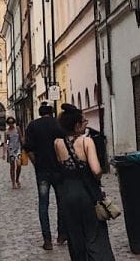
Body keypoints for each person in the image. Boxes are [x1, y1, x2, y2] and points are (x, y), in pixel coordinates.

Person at [54, 104, 115, 261]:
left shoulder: (57, 143)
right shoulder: (86, 142)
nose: (86, 123)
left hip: (67, 194)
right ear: (77, 125)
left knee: (75, 236)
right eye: (84, 121)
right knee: (94, 235)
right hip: (86, 194)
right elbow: (96, 170)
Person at [24, 102, 67, 250]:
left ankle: (47, 239)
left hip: (42, 171)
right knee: (62, 202)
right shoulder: (59, 125)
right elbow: (65, 145)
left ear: (40, 112)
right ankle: (62, 234)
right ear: (51, 111)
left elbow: (28, 149)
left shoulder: (33, 126)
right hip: (59, 170)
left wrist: (37, 164)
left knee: (44, 204)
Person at [5, 116, 23, 189]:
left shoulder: (17, 129)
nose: (11, 124)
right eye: (9, 122)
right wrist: (5, 150)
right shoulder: (7, 131)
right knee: (12, 166)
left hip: (18, 148)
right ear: (8, 123)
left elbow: (21, 138)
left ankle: (17, 179)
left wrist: (24, 147)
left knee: (19, 164)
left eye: (12, 122)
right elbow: (6, 141)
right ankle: (13, 182)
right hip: (11, 149)